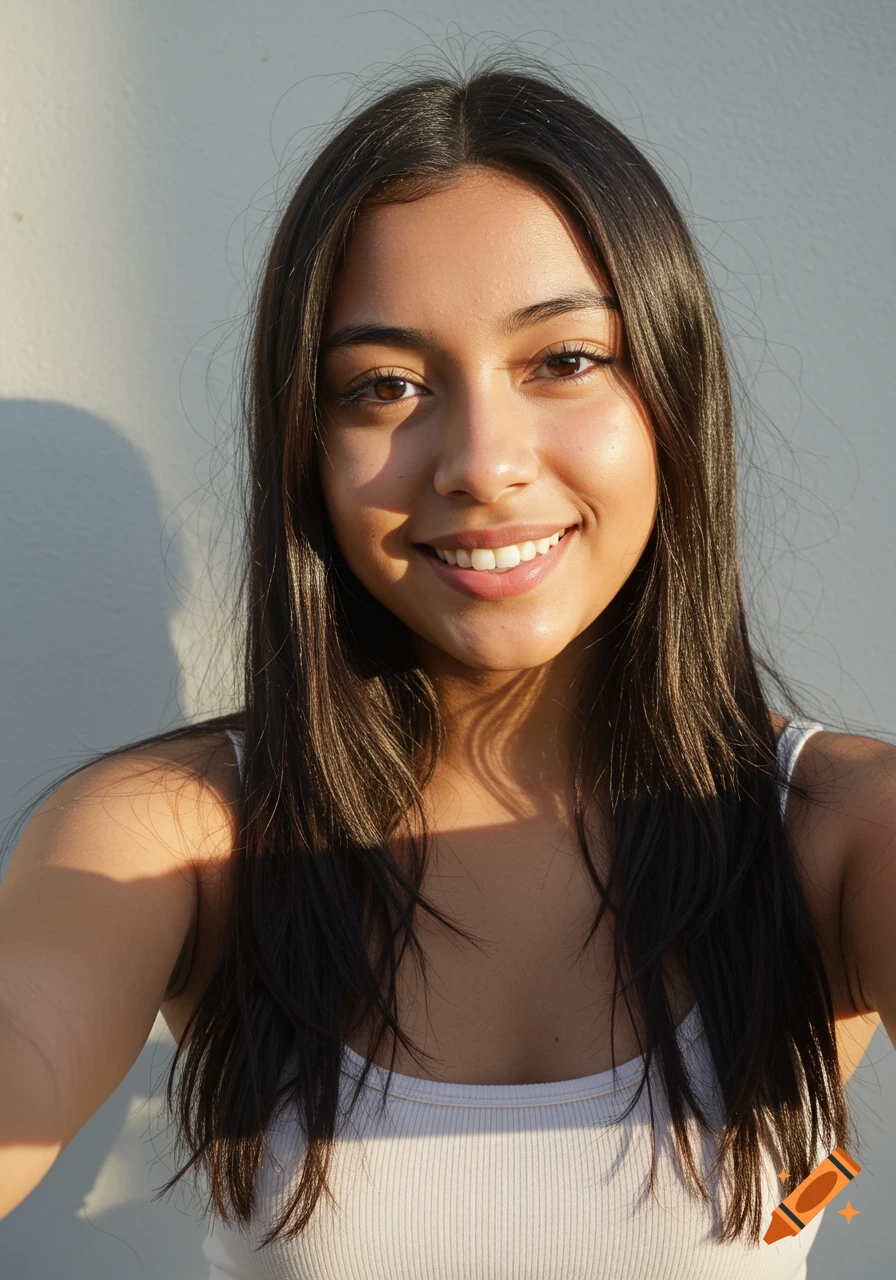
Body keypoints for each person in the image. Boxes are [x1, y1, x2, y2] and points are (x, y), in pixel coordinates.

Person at [0, 51, 893, 1279]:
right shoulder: (175, 835)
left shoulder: (837, 830)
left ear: (672, 391)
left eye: (564, 360)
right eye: (385, 386)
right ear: (307, 446)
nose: (479, 457)